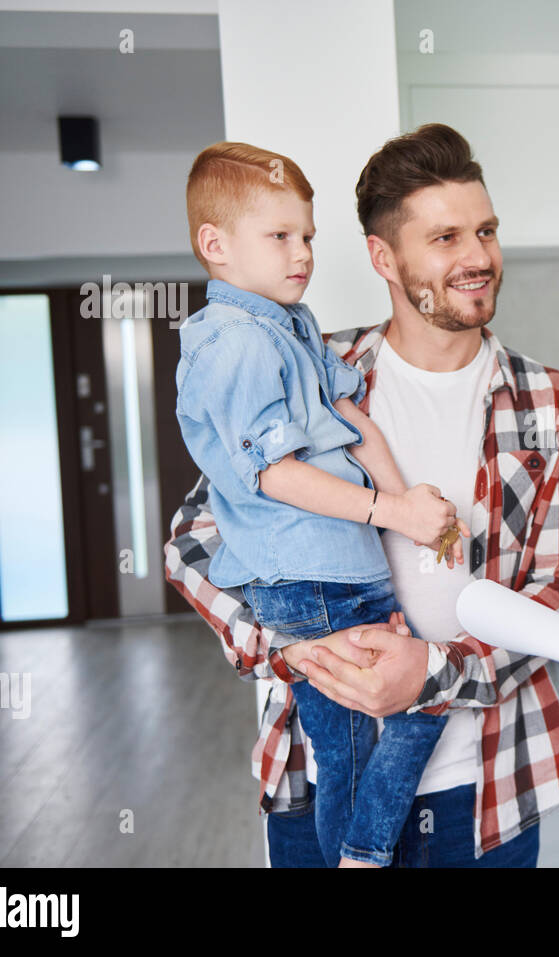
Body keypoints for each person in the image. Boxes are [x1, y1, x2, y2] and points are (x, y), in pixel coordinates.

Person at [164, 124, 559, 867]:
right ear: (382, 257)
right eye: (447, 237)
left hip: (483, 793)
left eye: (486, 230)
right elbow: (195, 538)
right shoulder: (306, 364)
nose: (478, 257)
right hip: (317, 780)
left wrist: (429, 671)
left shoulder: (551, 403)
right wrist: (294, 649)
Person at [175, 142, 471, 868]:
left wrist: (408, 499)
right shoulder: (236, 342)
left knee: (419, 706)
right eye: (280, 236)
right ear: (215, 245)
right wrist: (392, 513)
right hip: (308, 582)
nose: (302, 252)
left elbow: (351, 416)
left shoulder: (294, 322)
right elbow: (274, 475)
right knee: (343, 753)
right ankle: (361, 855)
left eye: (307, 235)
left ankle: (363, 850)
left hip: (350, 571)